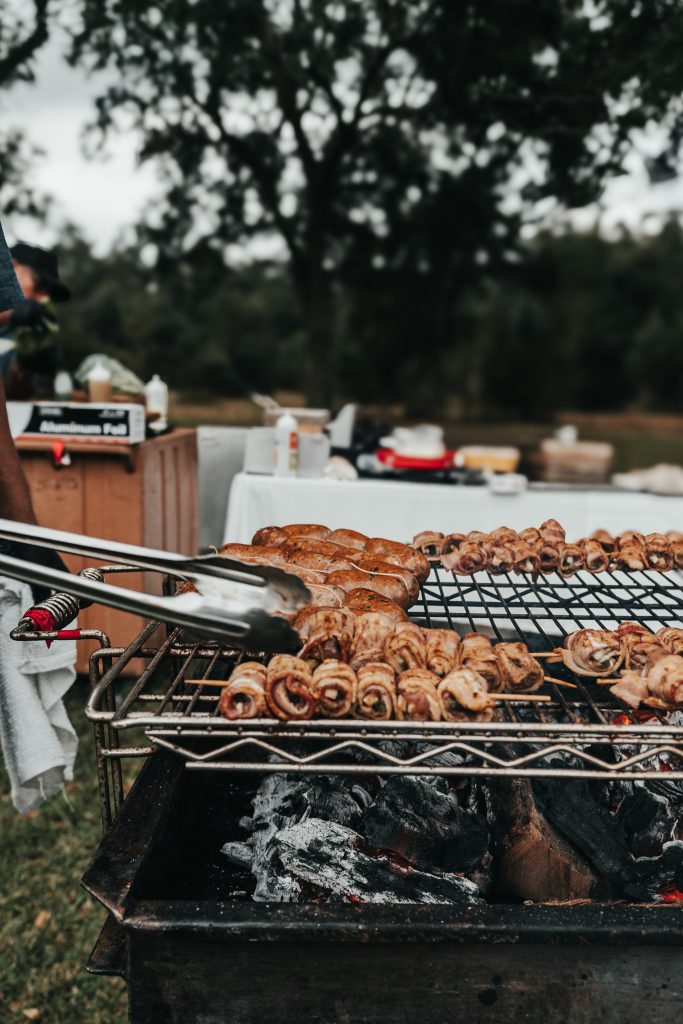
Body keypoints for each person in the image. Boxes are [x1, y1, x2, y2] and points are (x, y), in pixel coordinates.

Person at [0, 240, 70, 399]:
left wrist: (24, 367)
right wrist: (11, 314)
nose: (44, 298)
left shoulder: (25, 334)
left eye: (48, 293)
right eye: (39, 284)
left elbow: (14, 398)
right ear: (12, 267)